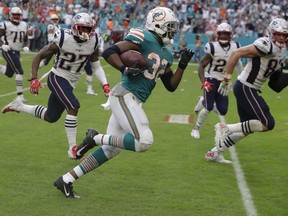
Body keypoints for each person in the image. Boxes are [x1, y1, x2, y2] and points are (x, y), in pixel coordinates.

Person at [53, 6, 194, 198]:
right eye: (170, 26)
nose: (172, 31)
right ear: (158, 24)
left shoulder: (167, 53)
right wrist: (124, 69)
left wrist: (183, 65)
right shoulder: (143, 36)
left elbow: (170, 85)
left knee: (111, 150)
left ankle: (66, 180)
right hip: (124, 95)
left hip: (134, 100)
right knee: (144, 140)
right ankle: (95, 138)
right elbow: (110, 51)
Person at [1, 13, 110, 160]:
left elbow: (96, 66)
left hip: (71, 81)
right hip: (57, 76)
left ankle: (18, 106)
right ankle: (72, 149)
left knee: (51, 117)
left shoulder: (94, 41)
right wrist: (34, 78)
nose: (86, 32)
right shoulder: (64, 37)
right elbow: (38, 55)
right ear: (75, 27)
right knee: (73, 106)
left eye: (88, 29)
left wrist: (105, 85)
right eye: (83, 28)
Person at [205, 18, 288, 164]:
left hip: (250, 89)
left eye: (284, 35)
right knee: (268, 123)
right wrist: (226, 79)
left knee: (247, 128)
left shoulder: (280, 52)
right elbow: (236, 53)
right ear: (271, 33)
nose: (281, 38)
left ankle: (215, 152)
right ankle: (224, 127)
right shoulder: (265, 45)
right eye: (278, 34)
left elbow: (274, 85)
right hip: (246, 87)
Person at [191, 23, 243, 139]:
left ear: (230, 35)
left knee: (222, 111)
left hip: (224, 81)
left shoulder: (236, 46)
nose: (224, 36)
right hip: (211, 78)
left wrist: (240, 78)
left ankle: (203, 100)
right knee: (209, 107)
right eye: (221, 34)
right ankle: (196, 129)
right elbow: (201, 66)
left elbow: (238, 64)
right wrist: (204, 81)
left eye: (226, 34)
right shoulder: (212, 47)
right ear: (217, 35)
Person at [0, 6, 29, 101]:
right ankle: (20, 95)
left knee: (9, 73)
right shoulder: (5, 24)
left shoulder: (24, 24)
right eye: (15, 15)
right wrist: (2, 45)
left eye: (18, 15)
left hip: (17, 51)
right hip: (7, 50)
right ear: (11, 15)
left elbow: (26, 38)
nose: (17, 17)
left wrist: (26, 45)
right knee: (19, 71)